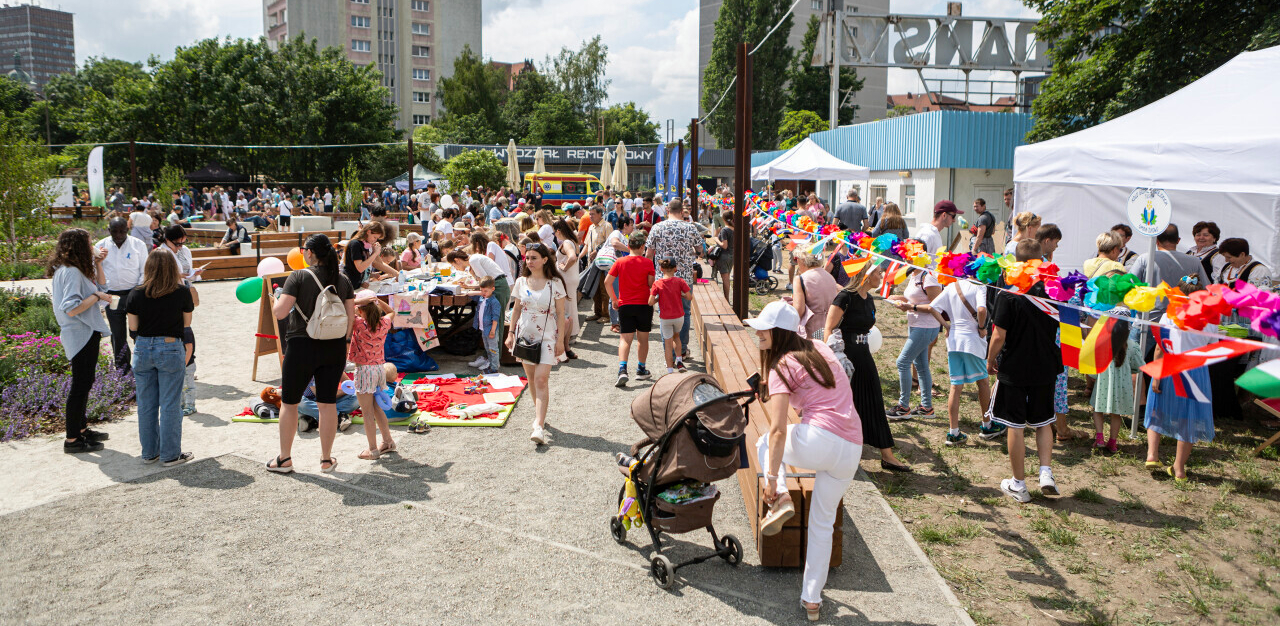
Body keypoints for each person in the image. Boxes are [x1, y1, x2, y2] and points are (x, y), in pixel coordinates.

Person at [747, 300, 861, 621]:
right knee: (823, 524)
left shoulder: (782, 365)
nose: (758, 334)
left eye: (763, 329)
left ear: (778, 332)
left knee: (764, 442)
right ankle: (812, 600)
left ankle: (781, 497)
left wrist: (772, 481)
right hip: (851, 446)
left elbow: (778, 431)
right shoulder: (819, 349)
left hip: (821, 440)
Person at [267, 235, 356, 474]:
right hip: (335, 346)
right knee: (327, 405)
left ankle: (284, 459)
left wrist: (275, 299)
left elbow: (280, 312)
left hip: (301, 345)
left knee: (289, 403)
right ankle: (326, 460)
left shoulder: (298, 276)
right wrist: (345, 343)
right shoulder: (343, 279)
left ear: (309, 253)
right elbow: (351, 316)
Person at [986, 239, 1061, 503]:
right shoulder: (1054, 293)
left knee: (1014, 425)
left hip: (1015, 366)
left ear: (1016, 262)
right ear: (1042, 259)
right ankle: (1045, 473)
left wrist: (989, 360)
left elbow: (998, 335)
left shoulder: (1009, 294)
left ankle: (1018, 484)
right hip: (1046, 364)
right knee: (1043, 421)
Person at [824, 263, 911, 472]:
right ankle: (839, 450)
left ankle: (887, 455)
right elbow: (829, 328)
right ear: (865, 275)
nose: (881, 276)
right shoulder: (845, 297)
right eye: (878, 273)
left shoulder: (869, 298)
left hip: (864, 355)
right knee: (846, 403)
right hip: (845, 356)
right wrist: (832, 359)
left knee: (873, 400)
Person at [1145, 279, 1217, 483]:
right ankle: (1179, 468)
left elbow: (1159, 347)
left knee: (1157, 409)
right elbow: (1213, 346)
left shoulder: (1168, 315)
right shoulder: (1209, 318)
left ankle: (1152, 455)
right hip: (1195, 371)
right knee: (1189, 418)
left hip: (1168, 366)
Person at [127, 252, 195, 466]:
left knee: (146, 404)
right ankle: (170, 455)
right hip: (170, 346)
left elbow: (133, 329)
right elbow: (186, 325)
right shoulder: (182, 292)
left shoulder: (135, 294)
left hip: (143, 347)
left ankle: (149, 453)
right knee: (170, 404)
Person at [51, 229, 112, 454]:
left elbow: (103, 288)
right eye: (88, 243)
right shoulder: (72, 272)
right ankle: (72, 439)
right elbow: (71, 308)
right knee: (80, 385)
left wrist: (99, 263)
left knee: (85, 382)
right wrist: (96, 297)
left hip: (85, 331)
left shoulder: (71, 269)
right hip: (81, 332)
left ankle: (81, 429)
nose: (91, 246)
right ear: (79, 246)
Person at [505, 243, 568, 446]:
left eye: (533, 257)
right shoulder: (521, 281)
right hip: (525, 335)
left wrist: (561, 340)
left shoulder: (555, 283)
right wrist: (511, 333)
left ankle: (538, 425)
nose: (529, 261)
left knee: (541, 380)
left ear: (544, 259)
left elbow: (561, 314)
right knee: (531, 379)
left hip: (548, 336)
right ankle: (539, 414)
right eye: (527, 257)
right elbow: (515, 310)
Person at [931, 279, 1003, 444]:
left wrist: (946, 326)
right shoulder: (979, 286)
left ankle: (953, 432)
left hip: (954, 341)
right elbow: (981, 309)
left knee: (955, 386)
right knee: (983, 382)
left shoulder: (951, 286)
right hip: (972, 340)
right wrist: (981, 326)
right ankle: (987, 425)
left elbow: (932, 307)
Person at [646, 199, 702, 359]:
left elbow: (649, 254)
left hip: (662, 279)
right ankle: (682, 351)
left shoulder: (657, 227)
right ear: (682, 211)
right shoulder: (690, 227)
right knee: (684, 313)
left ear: (667, 211)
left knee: (664, 314)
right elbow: (700, 249)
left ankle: (669, 354)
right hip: (684, 278)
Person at [885, 268, 943, 418]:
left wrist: (910, 307)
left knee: (902, 362)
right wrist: (900, 299)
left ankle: (903, 407)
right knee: (921, 365)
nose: (905, 258)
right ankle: (926, 407)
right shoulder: (913, 274)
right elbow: (916, 299)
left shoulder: (928, 277)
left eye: (909, 254)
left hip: (926, 327)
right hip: (917, 325)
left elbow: (936, 305)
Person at [349, 290, 396, 461]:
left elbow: (347, 306)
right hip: (378, 368)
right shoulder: (384, 323)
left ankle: (373, 449)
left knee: (367, 412)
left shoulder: (359, 324)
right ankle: (388, 441)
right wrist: (377, 300)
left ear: (360, 310)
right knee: (376, 408)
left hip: (364, 371)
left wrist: (359, 300)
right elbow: (392, 312)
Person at [96, 218, 147, 373]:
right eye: (115, 231)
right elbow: (96, 271)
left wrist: (138, 292)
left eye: (122, 231)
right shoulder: (100, 246)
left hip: (134, 294)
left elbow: (145, 270)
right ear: (108, 229)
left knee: (138, 332)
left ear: (127, 229)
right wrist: (102, 295)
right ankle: (122, 369)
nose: (118, 235)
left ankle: (143, 365)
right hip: (112, 297)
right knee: (117, 334)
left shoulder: (138, 245)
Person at [608, 231, 656, 386]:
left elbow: (607, 282)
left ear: (628, 246)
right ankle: (641, 369)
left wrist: (614, 299)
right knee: (643, 339)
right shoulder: (648, 263)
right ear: (643, 247)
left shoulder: (620, 262)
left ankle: (622, 370)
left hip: (625, 304)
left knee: (625, 339)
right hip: (644, 304)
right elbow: (650, 284)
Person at [1090, 315, 1138, 453]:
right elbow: (1138, 365)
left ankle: (1099, 438)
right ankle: (1113, 442)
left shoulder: (1101, 343)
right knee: (1116, 414)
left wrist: (1093, 377)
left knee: (1098, 410)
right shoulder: (1132, 345)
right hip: (1122, 386)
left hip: (1101, 385)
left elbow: (1093, 365)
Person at [448, 243, 511, 347]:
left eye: (454, 265)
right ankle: (490, 357)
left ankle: (493, 360)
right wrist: (469, 286)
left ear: (457, 260)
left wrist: (471, 291)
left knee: (495, 324)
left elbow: (485, 283)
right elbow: (485, 282)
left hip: (498, 287)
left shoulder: (473, 260)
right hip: (498, 285)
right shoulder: (473, 260)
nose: (456, 268)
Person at [649, 257, 692, 375]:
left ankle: (670, 370)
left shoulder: (657, 284)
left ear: (661, 269)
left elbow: (650, 302)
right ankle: (679, 360)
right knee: (676, 337)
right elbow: (689, 297)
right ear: (675, 269)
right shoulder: (680, 281)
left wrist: (658, 298)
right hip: (679, 317)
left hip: (665, 318)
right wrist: (681, 295)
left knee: (668, 343)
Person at [791, 251, 840, 340]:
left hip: (811, 330)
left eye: (796, 259)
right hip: (829, 329)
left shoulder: (801, 279)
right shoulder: (830, 277)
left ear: (801, 260)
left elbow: (799, 311)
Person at [552, 219, 582, 353]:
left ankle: (570, 335)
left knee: (567, 307)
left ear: (558, 231)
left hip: (567, 278)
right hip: (571, 278)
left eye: (555, 232)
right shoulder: (573, 241)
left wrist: (563, 268)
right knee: (571, 306)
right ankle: (572, 334)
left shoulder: (566, 242)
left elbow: (572, 257)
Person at [473, 277, 503, 374]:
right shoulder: (482, 299)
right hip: (483, 328)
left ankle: (494, 367)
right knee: (487, 348)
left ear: (492, 289)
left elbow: (495, 318)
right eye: (481, 290)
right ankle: (490, 364)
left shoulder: (494, 302)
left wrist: (493, 331)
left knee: (493, 349)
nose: (483, 293)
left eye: (486, 291)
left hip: (490, 329)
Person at [344, 222, 384, 289]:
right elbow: (360, 268)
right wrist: (375, 254)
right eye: (374, 237)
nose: (375, 240)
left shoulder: (366, 245)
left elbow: (379, 263)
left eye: (377, 238)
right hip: (351, 287)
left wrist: (375, 252)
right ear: (368, 232)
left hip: (359, 284)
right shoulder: (355, 244)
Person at [713, 209, 734, 300]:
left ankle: (726, 299)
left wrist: (716, 239)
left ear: (723, 219)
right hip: (732, 255)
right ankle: (727, 298)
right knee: (727, 276)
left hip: (724, 255)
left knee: (725, 278)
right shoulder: (735, 229)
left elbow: (724, 245)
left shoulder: (725, 230)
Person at [181, 326, 197, 416]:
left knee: (188, 386)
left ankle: (190, 405)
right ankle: (182, 404)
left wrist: (184, 365)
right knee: (180, 386)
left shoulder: (185, 330)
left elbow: (189, 349)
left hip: (188, 365)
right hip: (180, 365)